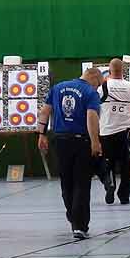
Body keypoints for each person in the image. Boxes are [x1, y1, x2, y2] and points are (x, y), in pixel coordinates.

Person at [38, 65, 102, 239]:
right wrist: (95, 141)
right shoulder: (90, 92)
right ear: (94, 78)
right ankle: (79, 225)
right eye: (99, 84)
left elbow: (44, 112)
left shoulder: (57, 88)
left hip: (60, 140)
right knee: (81, 183)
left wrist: (41, 134)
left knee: (66, 182)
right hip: (81, 141)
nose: (98, 88)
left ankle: (72, 215)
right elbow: (91, 116)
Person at [97, 59, 130, 206]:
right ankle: (124, 195)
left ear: (109, 70)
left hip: (107, 131)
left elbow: (95, 108)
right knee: (127, 164)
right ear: (123, 70)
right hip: (127, 131)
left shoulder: (102, 87)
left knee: (108, 162)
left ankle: (110, 184)